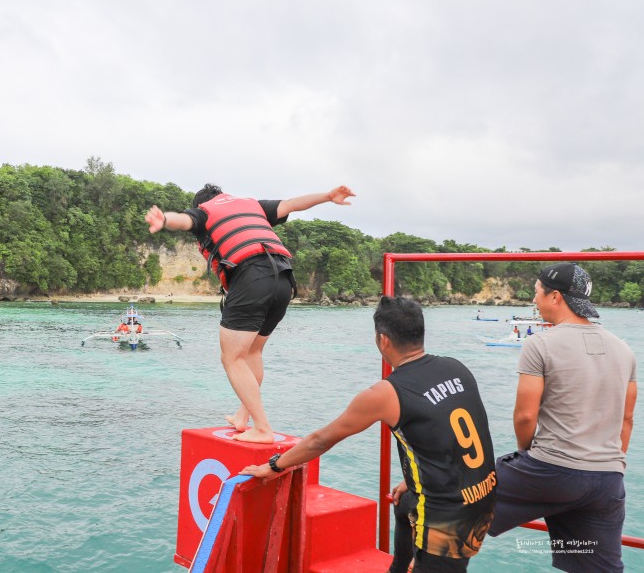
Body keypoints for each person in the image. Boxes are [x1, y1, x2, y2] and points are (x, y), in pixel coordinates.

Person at [242, 296, 496, 571]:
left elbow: (321, 440)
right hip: (485, 497)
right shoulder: (456, 367)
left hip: (447, 519)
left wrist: (273, 466)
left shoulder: (386, 393)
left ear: (383, 340)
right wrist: (413, 480)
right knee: (404, 503)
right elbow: (451, 435)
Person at [144, 184, 354, 443]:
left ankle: (263, 428)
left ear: (201, 204)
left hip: (252, 276)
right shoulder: (251, 205)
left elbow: (183, 220)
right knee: (252, 352)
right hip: (284, 279)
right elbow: (291, 204)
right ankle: (243, 418)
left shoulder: (204, 213)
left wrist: (164, 219)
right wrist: (327, 196)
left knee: (231, 358)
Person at [487, 263, 637, 572]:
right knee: (598, 567)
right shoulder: (625, 350)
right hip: (607, 481)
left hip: (549, 472)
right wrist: (606, 466)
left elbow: (525, 416)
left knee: (447, 499)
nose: (534, 300)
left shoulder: (539, 344)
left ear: (555, 297)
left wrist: (528, 455)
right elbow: (626, 420)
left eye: (537, 293)